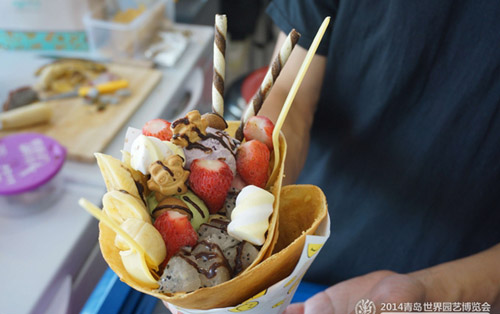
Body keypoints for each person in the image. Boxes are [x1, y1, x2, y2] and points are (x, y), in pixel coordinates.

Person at [256, 0, 500, 313]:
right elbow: (290, 90)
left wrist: (430, 296)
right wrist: (254, 183)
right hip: (294, 253)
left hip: (463, 291)